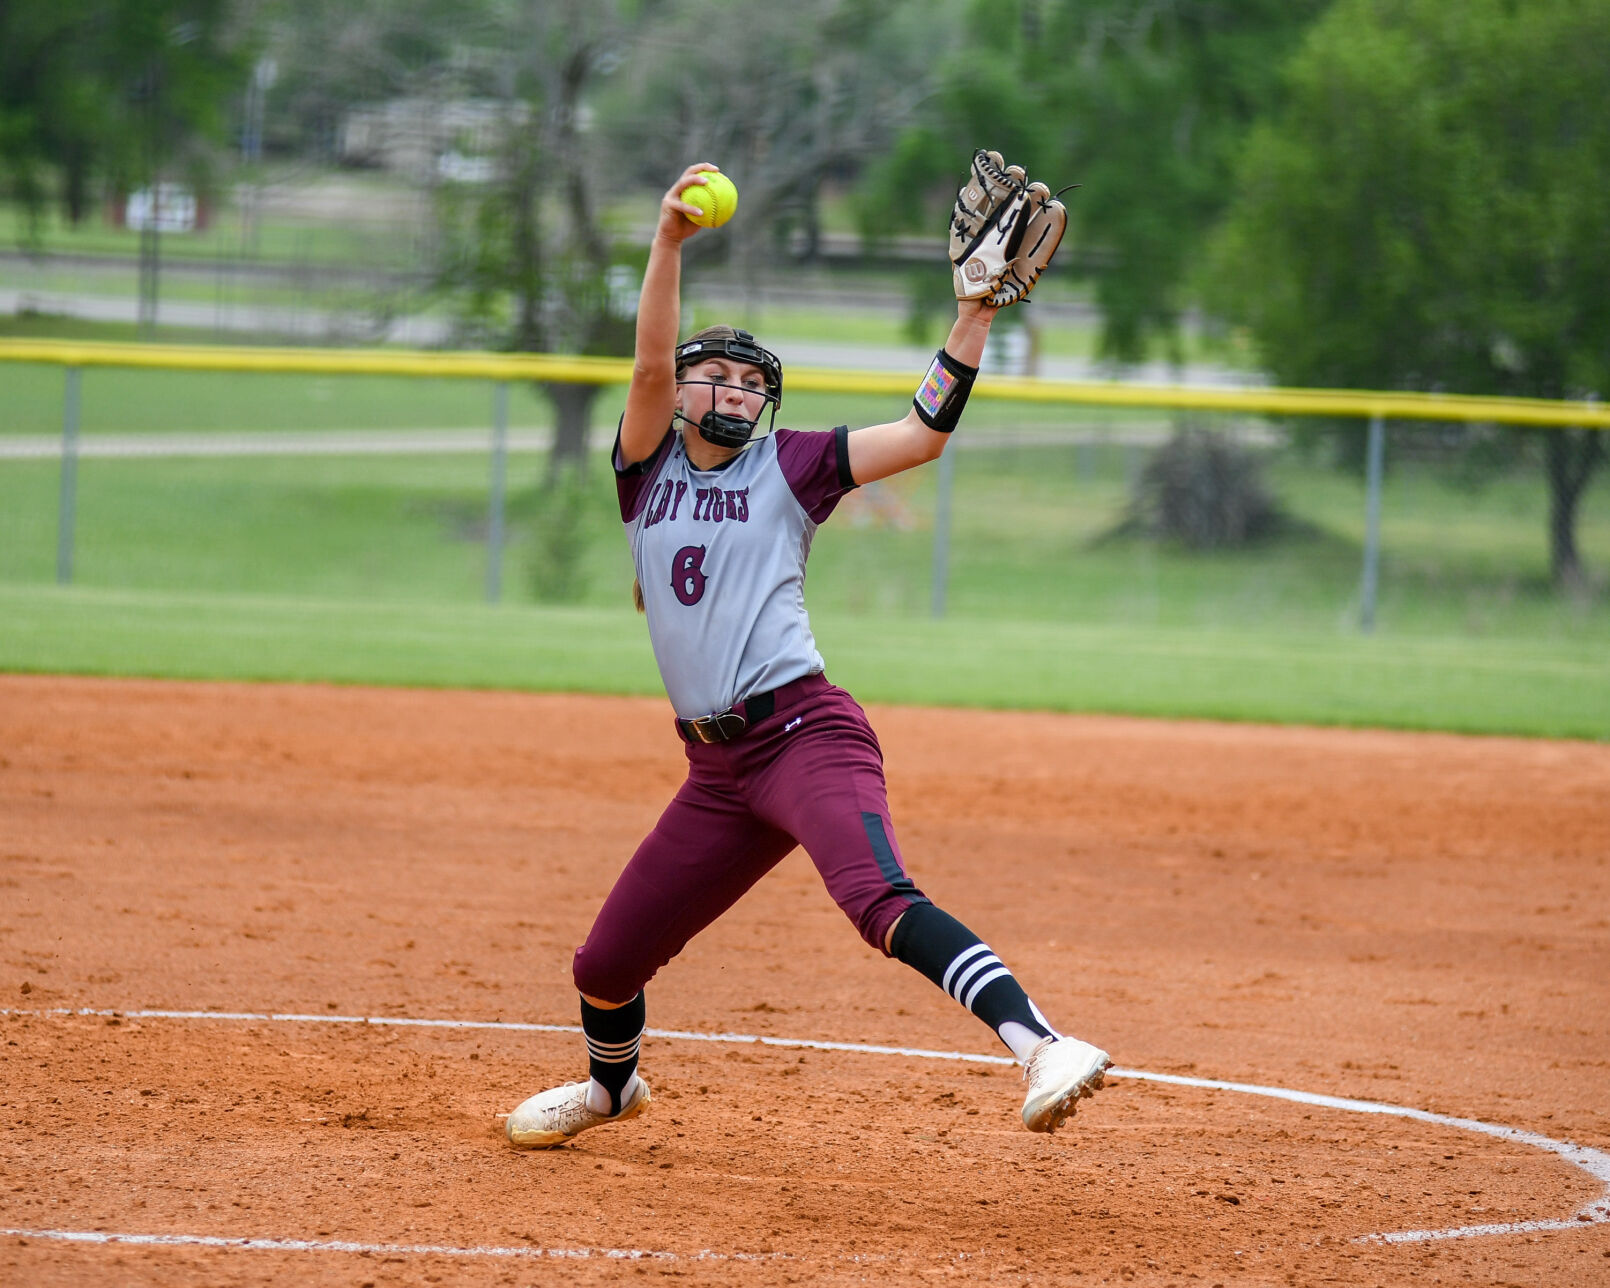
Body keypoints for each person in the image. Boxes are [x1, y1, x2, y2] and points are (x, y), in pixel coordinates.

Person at [505, 160, 1109, 1149]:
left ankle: (1040, 1042)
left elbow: (918, 435)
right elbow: (649, 368)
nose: (736, 390)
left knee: (875, 899)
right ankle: (612, 1090)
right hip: (714, 772)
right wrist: (665, 242)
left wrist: (972, 314)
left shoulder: (788, 467)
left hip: (802, 736)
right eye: (720, 374)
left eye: (753, 382)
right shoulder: (644, 473)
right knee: (604, 963)